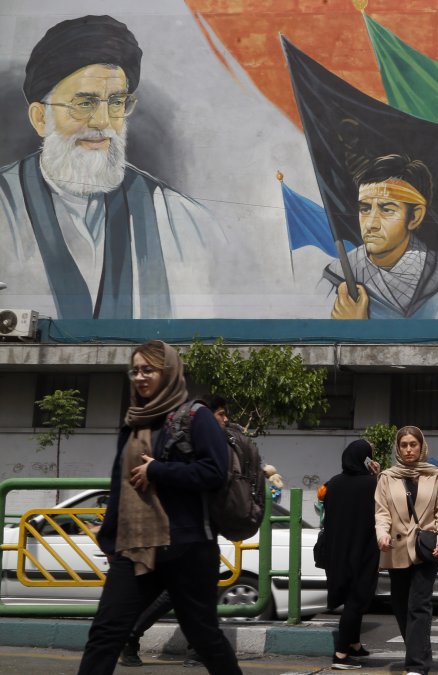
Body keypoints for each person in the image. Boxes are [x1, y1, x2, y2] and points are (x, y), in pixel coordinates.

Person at [0, 15, 222, 320]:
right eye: (85, 103)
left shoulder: (181, 219)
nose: (103, 122)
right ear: (40, 118)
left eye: (116, 102)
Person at [78, 341, 241, 674]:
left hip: (189, 547)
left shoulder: (195, 416)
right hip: (135, 547)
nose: (140, 377)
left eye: (148, 369)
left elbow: (214, 471)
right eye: (135, 370)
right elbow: (120, 485)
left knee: (203, 634)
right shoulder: (133, 423)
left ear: (168, 372)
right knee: (106, 632)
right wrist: (110, 538)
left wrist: (158, 471)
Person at [118, 394, 233, 668]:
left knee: (191, 603)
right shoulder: (192, 424)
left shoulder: (210, 438)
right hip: (182, 536)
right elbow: (208, 474)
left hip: (195, 534)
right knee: (185, 602)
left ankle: (186, 646)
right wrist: (158, 469)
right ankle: (136, 637)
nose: (225, 419)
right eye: (222, 413)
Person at [324, 154, 438, 319]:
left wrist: (357, 329)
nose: (370, 224)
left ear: (414, 217)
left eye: (387, 209)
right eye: (365, 209)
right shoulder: (334, 278)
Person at [375, 426, 438, 675]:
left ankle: (416, 665)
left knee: (419, 604)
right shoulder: (387, 477)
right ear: (398, 448)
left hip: (425, 548)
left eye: (413, 444)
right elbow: (382, 512)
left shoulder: (435, 476)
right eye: (404, 445)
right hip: (396, 546)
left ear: (422, 446)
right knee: (400, 605)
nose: (409, 449)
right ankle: (419, 653)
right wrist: (382, 534)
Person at [323, 440, 382, 670]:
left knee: (350, 596)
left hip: (337, 550)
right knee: (357, 599)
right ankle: (340, 655)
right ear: (364, 459)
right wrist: (376, 476)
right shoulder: (370, 485)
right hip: (363, 550)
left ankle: (355, 643)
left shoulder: (334, 483)